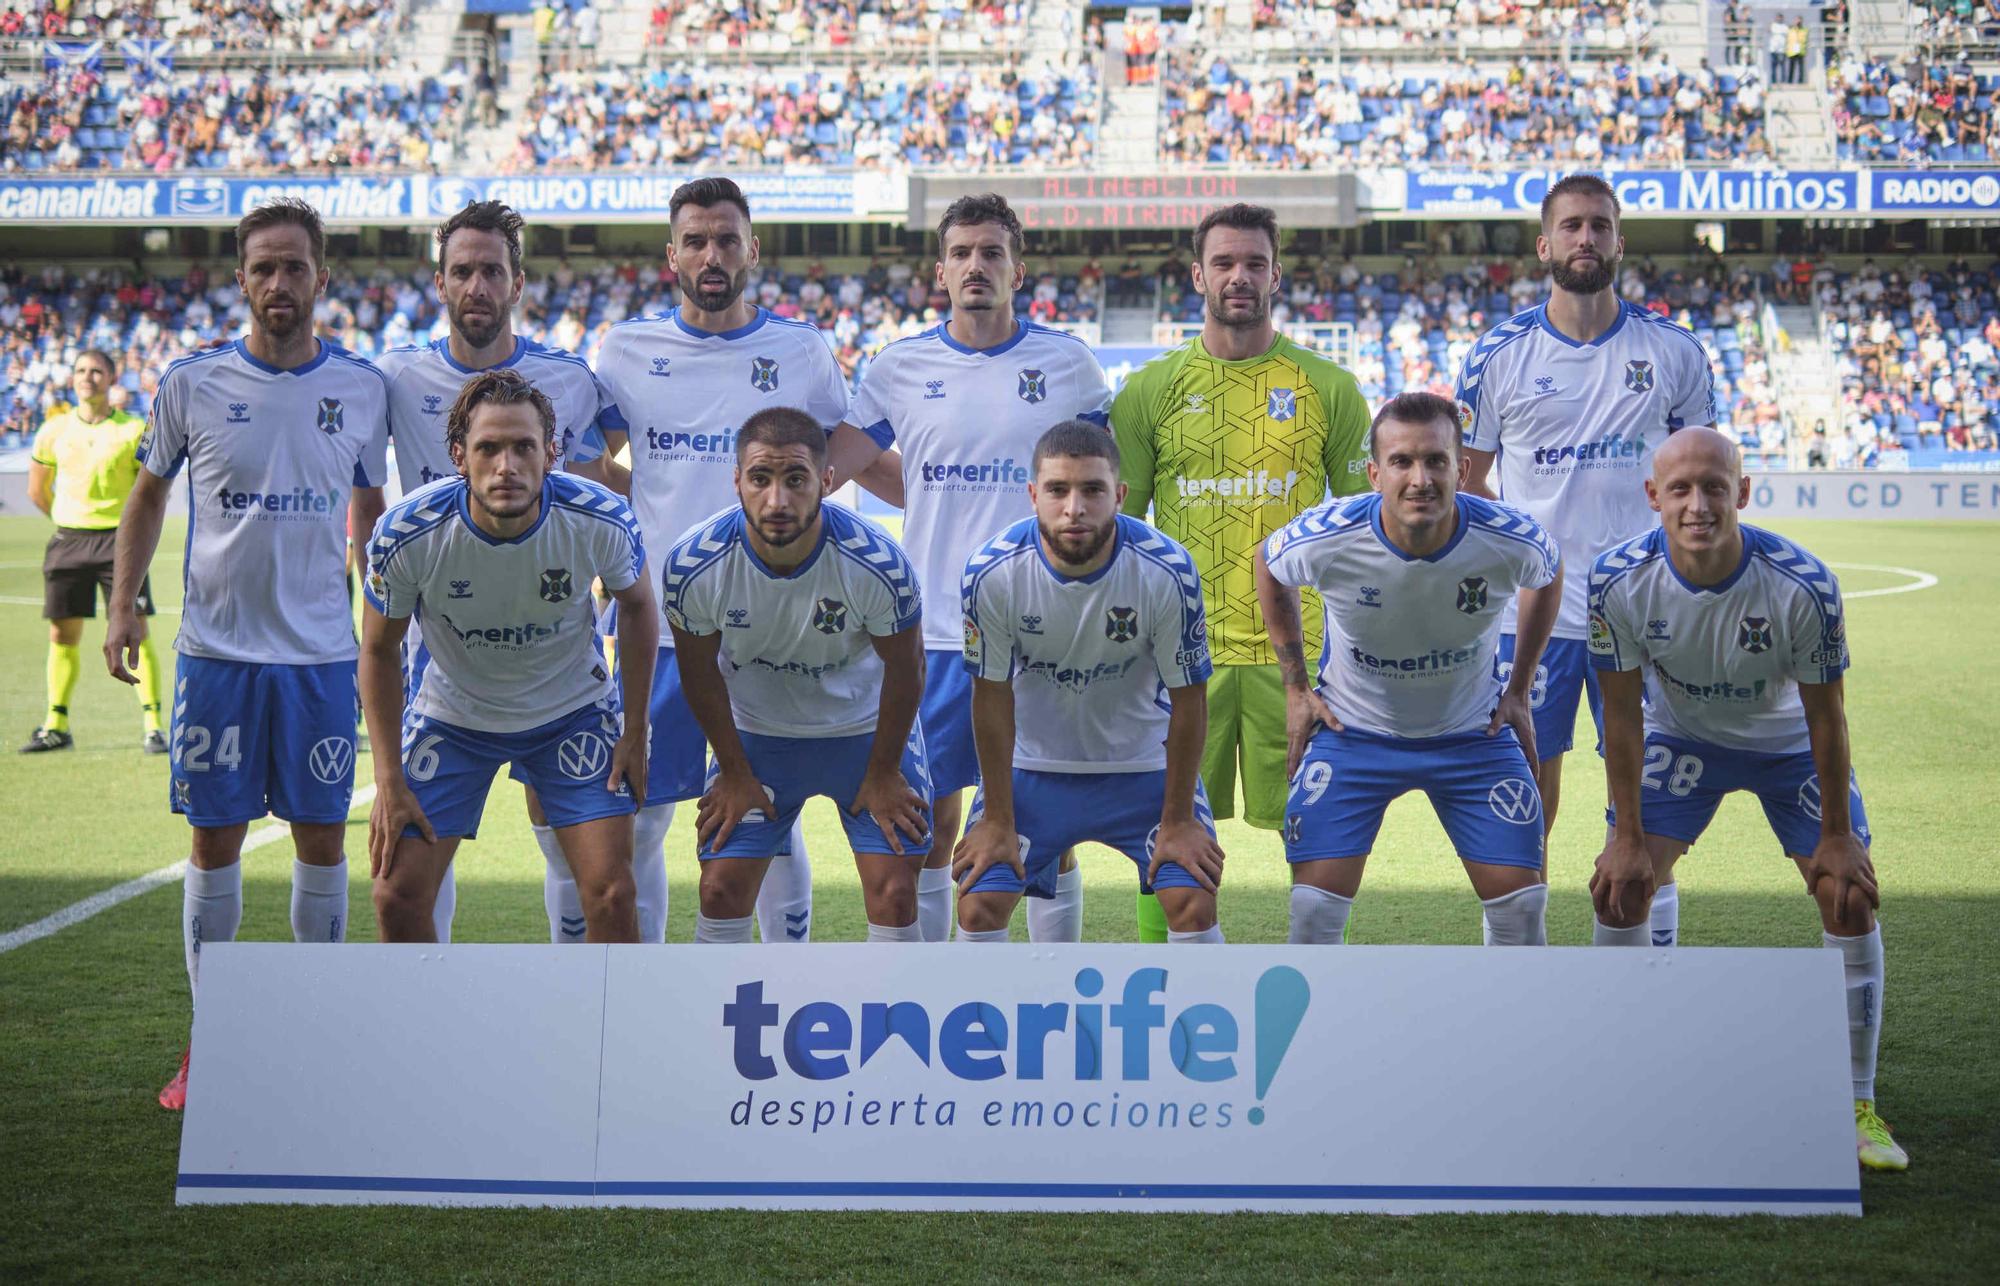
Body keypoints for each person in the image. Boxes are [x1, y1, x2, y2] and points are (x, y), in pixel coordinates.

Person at [104, 199, 390, 1111]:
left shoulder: (360, 387)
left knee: (319, 842)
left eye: (293, 267)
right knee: (214, 843)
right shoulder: (191, 383)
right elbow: (147, 498)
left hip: (317, 662)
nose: (278, 283)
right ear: (241, 279)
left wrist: (381, 632)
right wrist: (122, 605)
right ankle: (214, 1043)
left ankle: (318, 1031)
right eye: (262, 268)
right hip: (217, 658)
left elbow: (371, 519)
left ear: (321, 277)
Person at [1586, 427, 1907, 1172]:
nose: (1699, 505)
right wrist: (1626, 834)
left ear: (1743, 493)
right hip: (1681, 738)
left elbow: (1828, 717)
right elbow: (1623, 715)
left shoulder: (1803, 583)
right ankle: (1622, 1075)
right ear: (1653, 498)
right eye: (1681, 490)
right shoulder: (1616, 580)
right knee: (1620, 888)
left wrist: (1836, 834)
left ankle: (1857, 1101)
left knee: (1847, 893)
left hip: (1787, 743)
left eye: (1715, 488)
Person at [826, 192, 1112, 943]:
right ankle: (932, 985)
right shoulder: (900, 366)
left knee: (1047, 814)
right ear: (941, 271)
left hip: (1045, 632)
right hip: (936, 637)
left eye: (991, 252)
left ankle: (1057, 983)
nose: (975, 265)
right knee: (930, 812)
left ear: (1019, 268)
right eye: (961, 253)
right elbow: (834, 470)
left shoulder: (1068, 364)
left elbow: (1101, 483)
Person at [1453, 173, 1716, 946]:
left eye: (1600, 226)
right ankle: (1520, 959)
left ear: (1619, 241)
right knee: (1526, 789)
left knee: (1645, 796)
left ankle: (1639, 965)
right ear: (1545, 245)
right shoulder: (1497, 355)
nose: (1585, 240)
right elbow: (1471, 484)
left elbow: (1701, 474)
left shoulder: (1672, 350)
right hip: (1536, 620)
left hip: (1648, 618)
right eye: (1570, 227)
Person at [594, 177, 847, 945]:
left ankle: (783, 979)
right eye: (696, 241)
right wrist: (649, 503)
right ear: (672, 255)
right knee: (639, 815)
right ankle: (640, 988)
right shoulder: (627, 350)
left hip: (773, 632)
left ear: (752, 250)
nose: (712, 254)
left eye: (726, 240)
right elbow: (586, 462)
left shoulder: (801, 351)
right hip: (662, 633)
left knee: (767, 813)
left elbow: (832, 469)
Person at [1112, 202, 1371, 941]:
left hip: (1304, 659)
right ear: (1197, 275)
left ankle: (1310, 984)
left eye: (1255, 263)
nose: (1239, 277)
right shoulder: (1147, 392)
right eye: (1223, 262)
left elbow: (1363, 533)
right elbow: (1124, 536)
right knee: (1163, 841)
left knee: (1317, 838)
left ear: (1277, 276)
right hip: (1180, 658)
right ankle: (1165, 986)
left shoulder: (1329, 387)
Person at [376, 200, 627, 945]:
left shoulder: (571, 379)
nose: (477, 285)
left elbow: (615, 476)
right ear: (440, 283)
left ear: (518, 284)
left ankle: (590, 1011)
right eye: (463, 271)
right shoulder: (394, 377)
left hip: (555, 654)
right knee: (413, 862)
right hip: (440, 657)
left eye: (493, 271)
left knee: (568, 837)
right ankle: (426, 1028)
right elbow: (361, 489)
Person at [1255, 392, 1563, 948]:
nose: (1420, 479)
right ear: (1375, 473)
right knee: (1312, 914)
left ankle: (1515, 1032)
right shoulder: (1328, 535)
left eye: (1435, 461)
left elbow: (1548, 570)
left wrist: (1518, 688)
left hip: (1473, 736)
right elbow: (1269, 564)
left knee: (1521, 911)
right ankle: (1322, 1031)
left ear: (1462, 469)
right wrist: (1296, 687)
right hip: (1352, 736)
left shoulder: (1508, 536)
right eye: (1401, 462)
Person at [360, 370, 653, 945]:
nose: (507, 465)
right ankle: (423, 1036)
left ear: (552, 452)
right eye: (488, 448)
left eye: (524, 447)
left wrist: (634, 730)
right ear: (459, 457)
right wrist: (388, 777)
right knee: (396, 894)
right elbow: (377, 648)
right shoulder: (409, 532)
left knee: (613, 894)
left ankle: (602, 1034)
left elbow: (639, 607)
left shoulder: (598, 515)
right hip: (455, 718)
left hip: (571, 712)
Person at [661, 408, 929, 944]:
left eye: (796, 479)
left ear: (827, 480)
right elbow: (698, 674)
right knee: (718, 890)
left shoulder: (879, 563)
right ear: (736, 480)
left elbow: (907, 670)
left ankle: (892, 1020)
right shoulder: (693, 564)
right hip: (759, 740)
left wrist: (881, 774)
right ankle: (714, 1025)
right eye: (760, 478)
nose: (777, 500)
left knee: (897, 895)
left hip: (864, 735)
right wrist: (734, 772)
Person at [954, 423, 1224, 942]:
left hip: (1143, 769)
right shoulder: (991, 572)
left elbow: (1190, 699)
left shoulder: (1167, 570)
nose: (1074, 508)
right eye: (1058, 490)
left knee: (1192, 898)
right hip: (1032, 769)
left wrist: (1179, 819)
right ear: (1034, 495)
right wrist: (997, 818)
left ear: (1119, 495)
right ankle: (998, 1020)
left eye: (1092, 490)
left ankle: (1199, 1024)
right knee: (979, 904)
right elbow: (990, 697)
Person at [22, 348, 166, 754]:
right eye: (81, 370)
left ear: (112, 378)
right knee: (61, 633)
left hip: (120, 543)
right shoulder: (52, 430)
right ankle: (56, 723)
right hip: (69, 539)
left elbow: (148, 491)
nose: (88, 377)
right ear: (72, 378)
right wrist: (69, 518)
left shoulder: (132, 429)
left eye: (97, 371)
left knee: (136, 629)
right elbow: (37, 489)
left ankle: (154, 725)